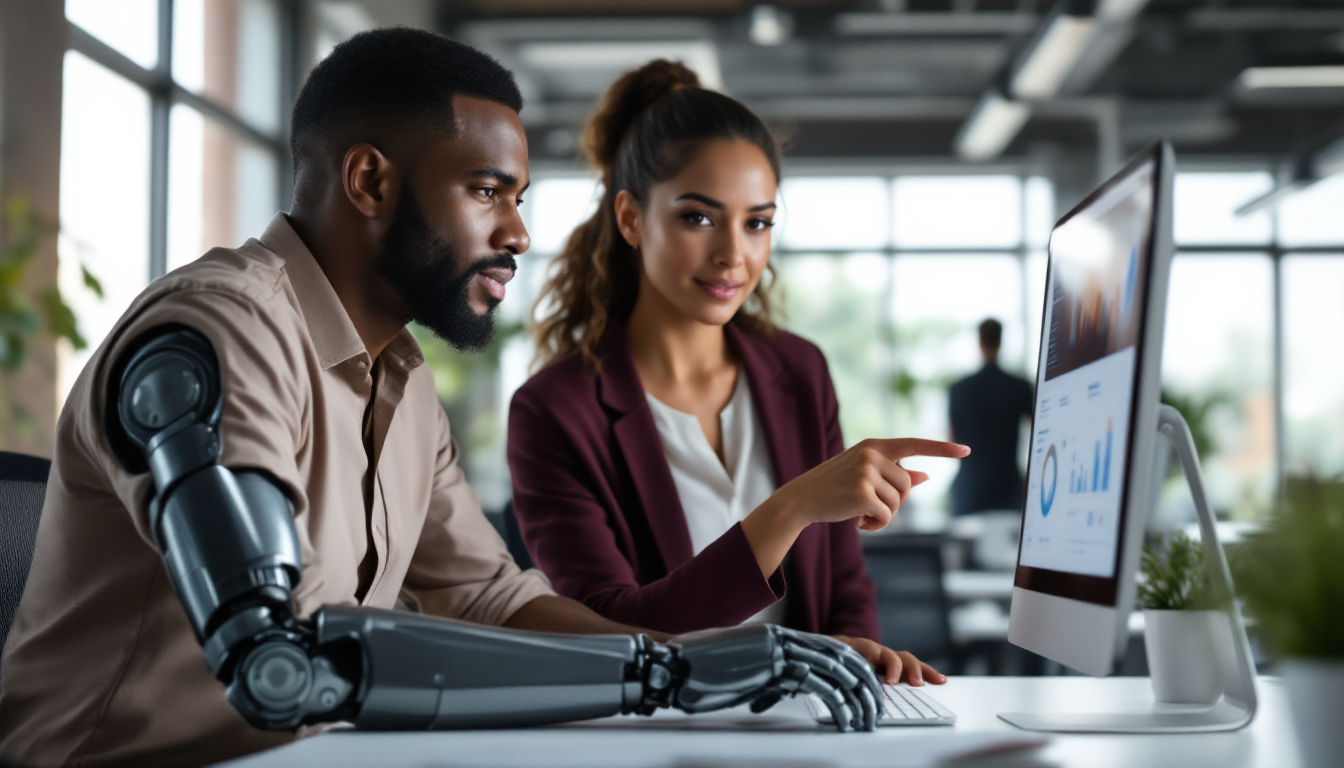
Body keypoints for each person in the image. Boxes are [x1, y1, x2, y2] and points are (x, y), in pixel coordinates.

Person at [0, 32, 883, 767]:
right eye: (487, 191)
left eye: (519, 198)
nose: (519, 233)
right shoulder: (223, 330)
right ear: (370, 182)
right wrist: (669, 678)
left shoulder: (404, 379)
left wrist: (713, 658)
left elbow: (491, 600)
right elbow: (277, 662)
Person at [507, 60, 969, 688]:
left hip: (806, 717)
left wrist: (854, 651)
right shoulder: (554, 409)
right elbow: (613, 630)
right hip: (652, 728)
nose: (733, 254)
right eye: (699, 217)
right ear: (631, 218)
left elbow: (844, 584)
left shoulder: (799, 371)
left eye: (757, 222)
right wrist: (794, 506)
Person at [947, 318, 1034, 516]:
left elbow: (952, 440)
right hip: (1008, 490)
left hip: (970, 492)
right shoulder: (1019, 387)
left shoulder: (959, 389)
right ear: (1000, 341)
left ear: (979, 341)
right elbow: (1037, 432)